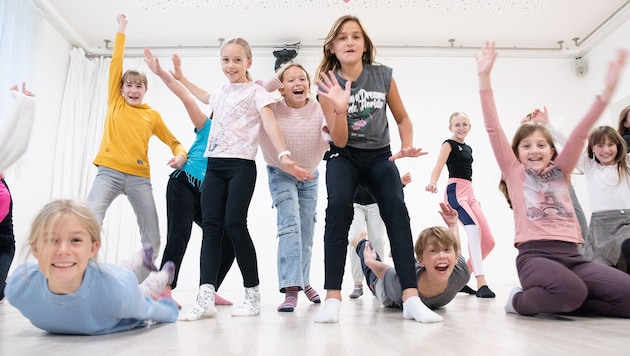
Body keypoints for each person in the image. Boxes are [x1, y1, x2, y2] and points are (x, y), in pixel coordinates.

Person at [477, 41, 630, 317]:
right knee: (570, 291)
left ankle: (569, 300)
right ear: (517, 152)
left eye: (541, 145)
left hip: (573, 257)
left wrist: (607, 92)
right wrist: (484, 78)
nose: (534, 150)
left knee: (620, 295)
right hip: (535, 257)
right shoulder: (514, 172)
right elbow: (492, 128)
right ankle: (519, 301)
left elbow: (582, 132)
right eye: (526, 146)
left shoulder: (562, 170)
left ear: (551, 150)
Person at [314, 15, 439, 324]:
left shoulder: (382, 76)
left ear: (365, 45)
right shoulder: (327, 83)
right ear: (332, 46)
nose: (350, 42)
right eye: (342, 37)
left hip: (379, 155)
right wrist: (340, 107)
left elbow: (402, 118)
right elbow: (339, 139)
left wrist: (406, 145)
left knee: (396, 207)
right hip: (343, 157)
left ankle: (410, 297)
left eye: (356, 36)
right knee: (339, 208)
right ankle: (332, 296)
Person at [178, 37, 313, 320]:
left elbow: (270, 122)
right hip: (214, 167)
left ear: (248, 63)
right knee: (212, 228)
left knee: (235, 225)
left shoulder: (257, 91)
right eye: (226, 60)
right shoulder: (221, 92)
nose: (231, 65)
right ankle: (204, 295)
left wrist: (285, 154)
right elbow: (203, 97)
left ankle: (252, 295)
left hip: (241, 167)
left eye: (237, 60)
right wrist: (180, 78)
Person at [86, 14, 187, 276]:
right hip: (108, 171)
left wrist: (181, 156)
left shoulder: (151, 115)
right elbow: (116, 61)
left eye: (138, 86)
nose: (133, 89)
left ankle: (128, 284)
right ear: (120, 89)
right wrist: (121, 29)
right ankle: (90, 277)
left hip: (139, 178)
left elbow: (175, 142)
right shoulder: (115, 101)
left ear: (145, 90)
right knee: (88, 224)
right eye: (128, 85)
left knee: (153, 239)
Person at [5, 199, 178, 335]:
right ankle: (142, 255)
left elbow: (150, 309)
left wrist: (169, 309)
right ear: (35, 248)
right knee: (119, 270)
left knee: (145, 289)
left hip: (121, 284)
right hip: (107, 278)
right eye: (52, 240)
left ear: (93, 248)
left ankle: (163, 275)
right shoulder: (19, 287)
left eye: (75, 240)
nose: (63, 250)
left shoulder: (118, 293)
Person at [143, 50, 234, 307]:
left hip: (209, 193)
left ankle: (208, 288)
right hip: (184, 184)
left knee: (229, 238)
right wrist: (162, 73)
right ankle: (165, 288)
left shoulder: (240, 141)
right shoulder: (206, 125)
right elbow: (185, 98)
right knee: (179, 235)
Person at [257, 62, 330, 312]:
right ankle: (291, 288)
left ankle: (305, 280)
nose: (298, 83)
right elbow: (256, 93)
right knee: (290, 226)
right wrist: (274, 83)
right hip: (280, 173)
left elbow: (331, 134)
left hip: (310, 176)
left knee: (307, 231)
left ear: (308, 85)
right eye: (290, 80)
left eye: (302, 79)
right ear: (282, 88)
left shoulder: (318, 109)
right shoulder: (272, 108)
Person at [351, 202, 470, 317]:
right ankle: (359, 242)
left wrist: (453, 225)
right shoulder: (401, 284)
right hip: (386, 290)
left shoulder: (461, 273)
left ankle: (401, 256)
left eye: (446, 250)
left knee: (410, 267)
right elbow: (384, 271)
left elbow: (455, 249)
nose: (442, 256)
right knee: (370, 258)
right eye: (433, 251)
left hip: (416, 270)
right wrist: (370, 262)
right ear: (421, 260)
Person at [425, 112, 496, 298]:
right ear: (451, 128)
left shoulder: (469, 148)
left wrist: (473, 198)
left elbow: (468, 174)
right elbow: (438, 166)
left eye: (465, 124)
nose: (461, 128)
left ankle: (461, 279)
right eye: (457, 125)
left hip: (470, 192)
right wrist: (433, 182)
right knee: (473, 230)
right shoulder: (448, 144)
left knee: (488, 241)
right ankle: (481, 282)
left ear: (470, 127)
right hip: (455, 191)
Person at [346, 172, 411, 299]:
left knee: (378, 240)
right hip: (354, 202)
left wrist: (400, 183)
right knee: (355, 239)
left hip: (375, 202)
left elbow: (388, 179)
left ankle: (377, 280)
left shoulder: (381, 153)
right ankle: (357, 284)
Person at [0, 83, 35, 303]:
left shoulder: (2, 179)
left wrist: (24, 102)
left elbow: (15, 139)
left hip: (2, 244)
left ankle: (7, 283)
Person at [578, 126, 630, 273]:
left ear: (618, 146)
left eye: (610, 144)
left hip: (625, 224)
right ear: (592, 148)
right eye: (600, 145)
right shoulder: (590, 167)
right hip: (600, 228)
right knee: (603, 271)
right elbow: (568, 146)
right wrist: (548, 124)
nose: (605, 150)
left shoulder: (626, 164)